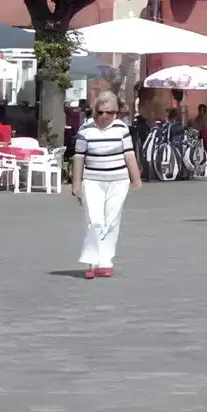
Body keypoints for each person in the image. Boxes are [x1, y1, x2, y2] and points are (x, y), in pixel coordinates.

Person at [71, 90, 142, 280]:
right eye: (101, 112)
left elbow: (129, 154)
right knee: (94, 220)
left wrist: (136, 178)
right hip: (93, 180)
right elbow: (79, 157)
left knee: (111, 220)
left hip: (118, 180)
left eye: (109, 112)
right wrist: (76, 184)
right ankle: (91, 261)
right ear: (96, 111)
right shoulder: (85, 130)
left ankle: (105, 261)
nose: (105, 116)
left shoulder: (122, 129)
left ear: (116, 113)